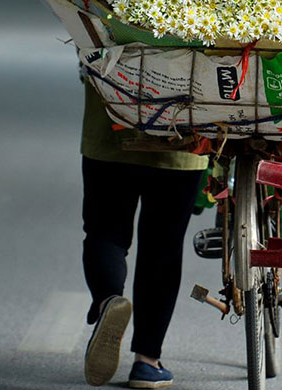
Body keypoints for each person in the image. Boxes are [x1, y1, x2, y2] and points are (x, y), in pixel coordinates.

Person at [80, 79, 208, 389]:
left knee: (105, 232)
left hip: (110, 136)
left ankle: (108, 300)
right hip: (181, 141)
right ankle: (147, 363)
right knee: (162, 250)